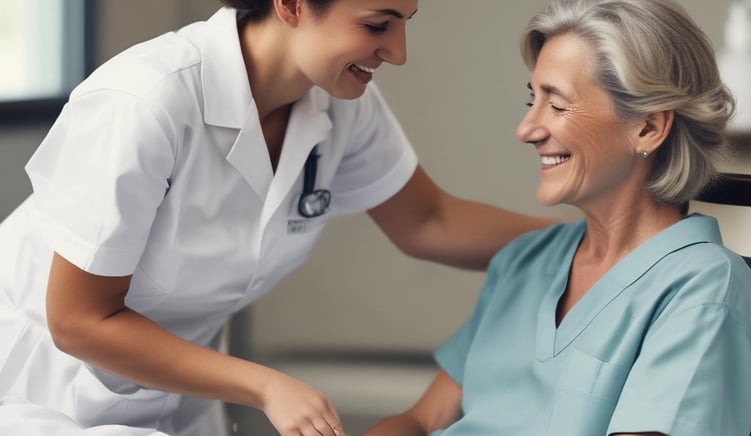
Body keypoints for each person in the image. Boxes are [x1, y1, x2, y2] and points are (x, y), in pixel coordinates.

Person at [0, 1, 553, 435]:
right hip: (45, 385)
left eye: (405, 22)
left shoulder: (340, 105)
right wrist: (264, 387)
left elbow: (429, 220)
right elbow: (77, 321)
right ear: (290, 4)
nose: (399, 52)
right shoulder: (144, 103)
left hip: (176, 390)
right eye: (378, 24)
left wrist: (603, 243)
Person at [365, 0, 751, 435]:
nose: (526, 129)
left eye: (556, 105)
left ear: (648, 128)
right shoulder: (525, 260)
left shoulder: (705, 291)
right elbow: (422, 420)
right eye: (531, 99)